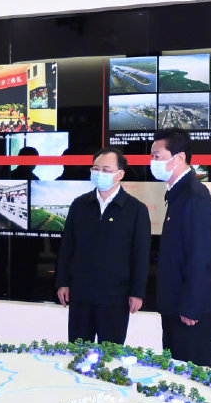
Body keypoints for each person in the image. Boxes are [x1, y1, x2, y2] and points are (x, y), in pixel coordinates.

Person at [55, 147, 151, 345]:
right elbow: (67, 247)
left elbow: (140, 255)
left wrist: (137, 292)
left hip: (115, 297)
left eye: (106, 170)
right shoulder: (80, 204)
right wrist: (62, 282)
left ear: (120, 174)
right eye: (96, 168)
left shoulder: (135, 209)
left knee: (110, 354)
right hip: (81, 293)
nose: (99, 173)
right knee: (78, 351)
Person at [150, 128, 211, 368]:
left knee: (189, 380)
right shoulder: (178, 194)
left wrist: (191, 307)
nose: (153, 162)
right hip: (176, 307)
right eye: (152, 156)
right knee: (172, 374)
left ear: (179, 157)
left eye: (158, 156)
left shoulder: (194, 197)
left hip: (191, 313)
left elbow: (201, 257)